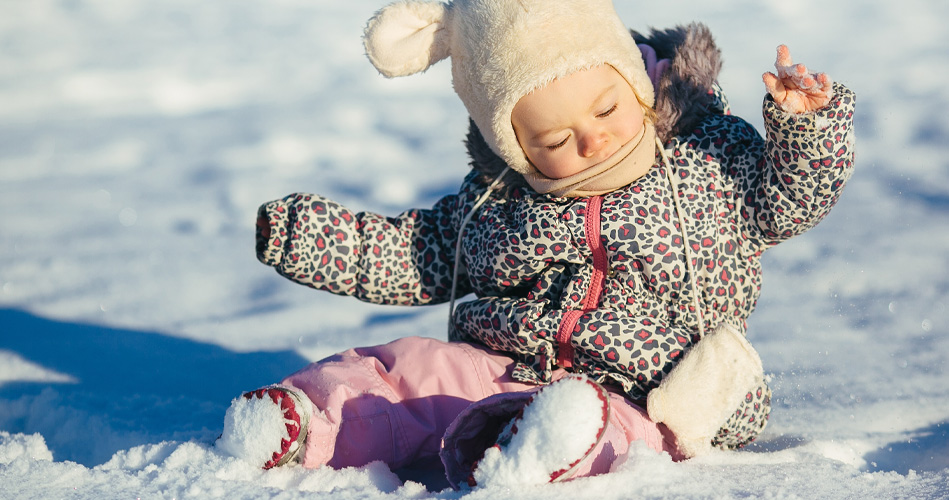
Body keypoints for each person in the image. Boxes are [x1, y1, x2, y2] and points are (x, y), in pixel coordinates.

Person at [216, 0, 856, 489]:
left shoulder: (708, 157)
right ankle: (307, 421)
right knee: (415, 370)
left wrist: (807, 127)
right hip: (504, 362)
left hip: (652, 386)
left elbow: (790, 201)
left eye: (606, 111)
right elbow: (423, 251)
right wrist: (316, 240)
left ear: (634, 82)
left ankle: (555, 440)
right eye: (554, 139)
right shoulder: (501, 198)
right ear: (513, 145)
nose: (591, 141)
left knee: (620, 428)